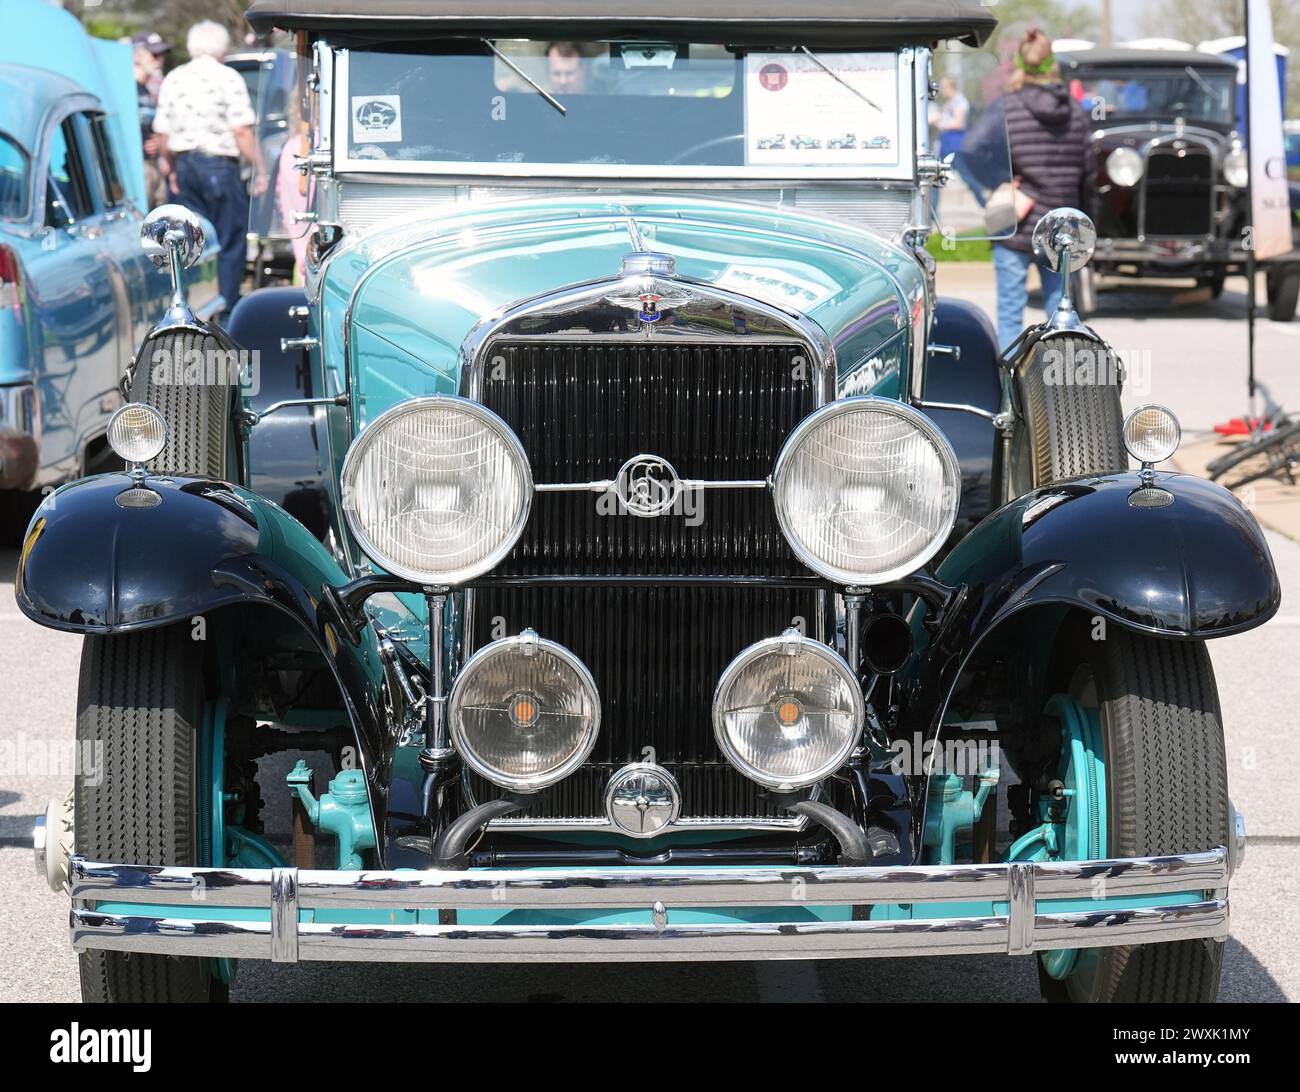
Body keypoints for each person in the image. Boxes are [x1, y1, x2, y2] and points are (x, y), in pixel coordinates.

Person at [151, 20, 267, 320]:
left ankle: (190, 307)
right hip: (219, 166)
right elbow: (241, 131)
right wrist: (262, 169)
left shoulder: (174, 78)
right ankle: (226, 310)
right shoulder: (227, 78)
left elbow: (162, 134)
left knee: (189, 241)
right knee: (229, 239)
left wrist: (171, 166)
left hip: (186, 166)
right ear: (221, 47)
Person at [990, 28, 1090, 350]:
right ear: (1052, 63)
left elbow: (970, 152)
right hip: (1061, 230)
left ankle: (1008, 390)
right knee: (1061, 312)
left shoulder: (1007, 107)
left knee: (1009, 313)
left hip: (1017, 223)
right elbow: (1088, 173)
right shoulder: (1075, 111)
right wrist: (1087, 225)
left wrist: (999, 184)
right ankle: (1054, 389)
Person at [130, 31, 169, 208]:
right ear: (137, 56)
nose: (159, 60)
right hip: (136, 171)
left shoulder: (146, 90)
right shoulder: (127, 89)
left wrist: (157, 142)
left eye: (161, 55)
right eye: (154, 55)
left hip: (152, 166)